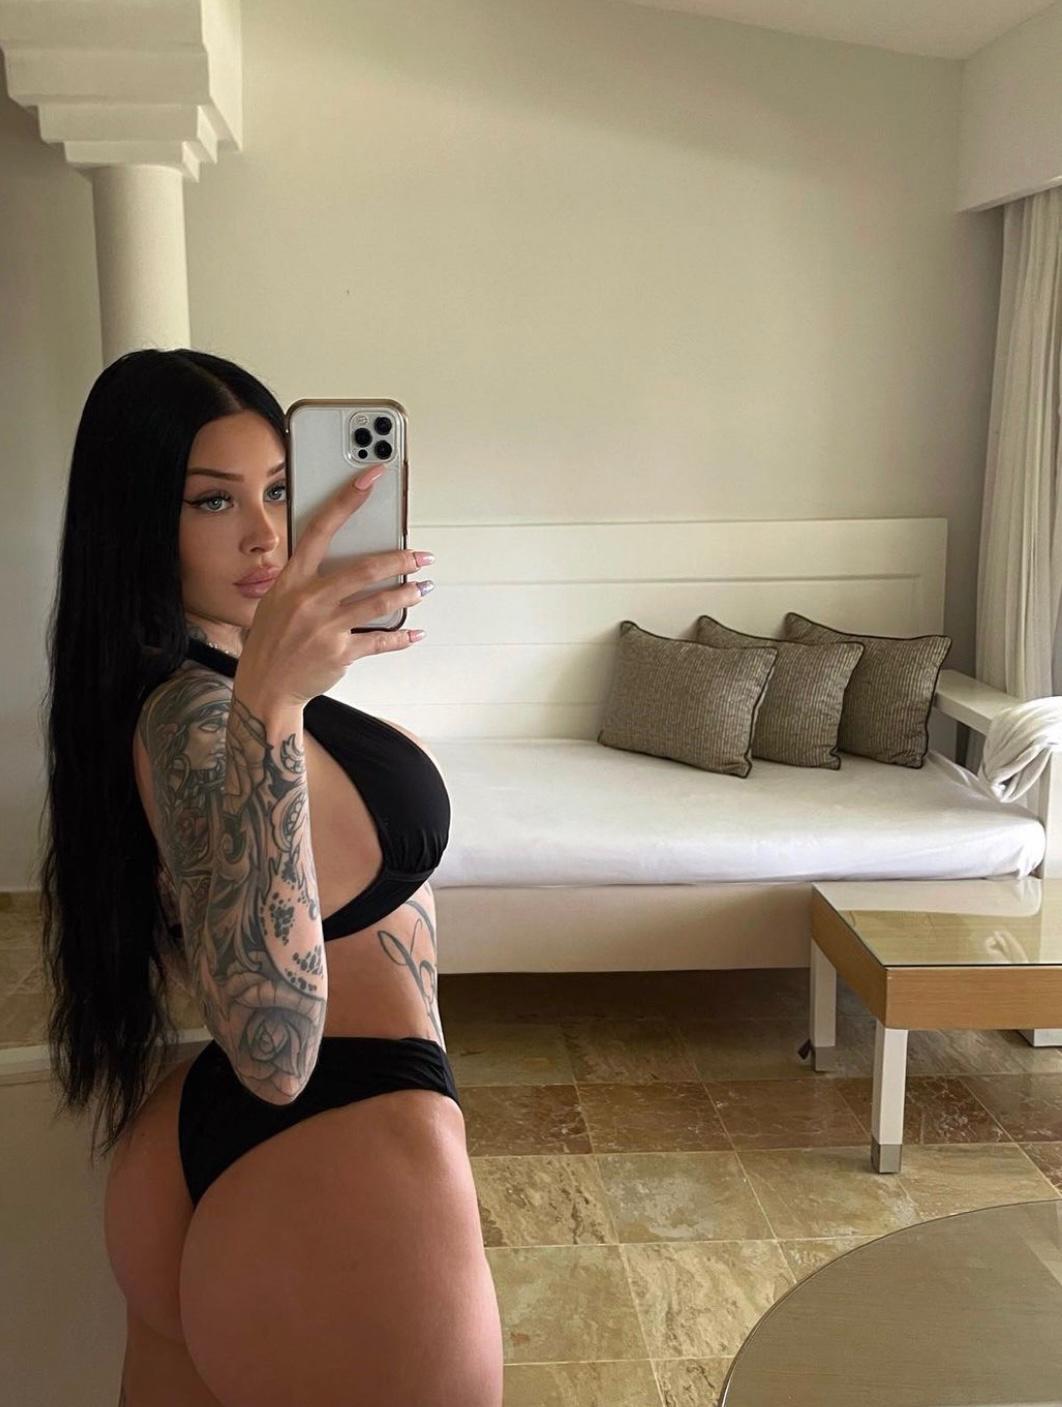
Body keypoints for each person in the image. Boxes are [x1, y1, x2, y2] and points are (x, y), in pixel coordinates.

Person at [36, 349, 504, 1406]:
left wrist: (279, 686)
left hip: (230, 1152)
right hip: (337, 1147)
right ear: (139, 523)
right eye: (213, 500)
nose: (262, 533)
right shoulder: (202, 714)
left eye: (280, 490)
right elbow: (277, 1055)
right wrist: (276, 702)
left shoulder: (205, 679)